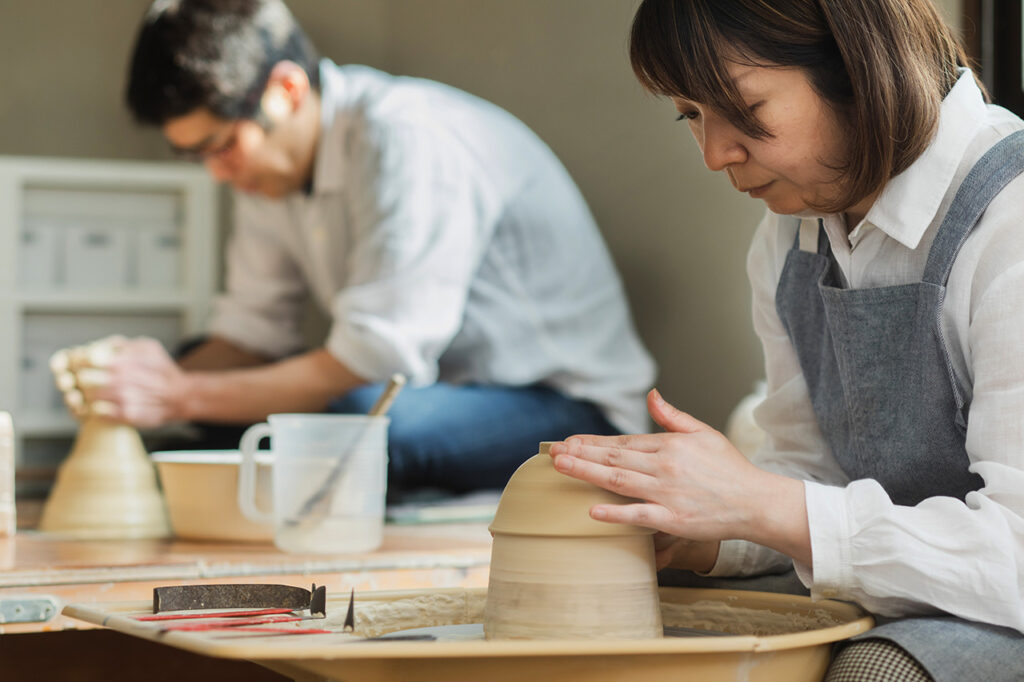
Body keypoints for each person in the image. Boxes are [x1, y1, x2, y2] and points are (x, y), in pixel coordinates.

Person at [548, 1, 1024, 680]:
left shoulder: (1011, 220)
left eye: (741, 109)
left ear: (857, 65)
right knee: (645, 625)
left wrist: (758, 503)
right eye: (690, 115)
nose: (715, 153)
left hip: (1004, 598)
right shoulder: (788, 239)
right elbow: (813, 476)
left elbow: (1015, 558)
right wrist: (706, 533)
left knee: (873, 674)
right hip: (910, 590)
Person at [106, 0, 655, 496]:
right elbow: (252, 333)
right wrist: (135, 383)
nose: (216, 173)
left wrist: (179, 396)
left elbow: (376, 360)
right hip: (437, 393)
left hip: (568, 410)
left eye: (220, 146)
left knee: (351, 421)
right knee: (232, 411)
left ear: (288, 90)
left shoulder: (405, 138)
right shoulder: (263, 174)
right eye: (194, 155)